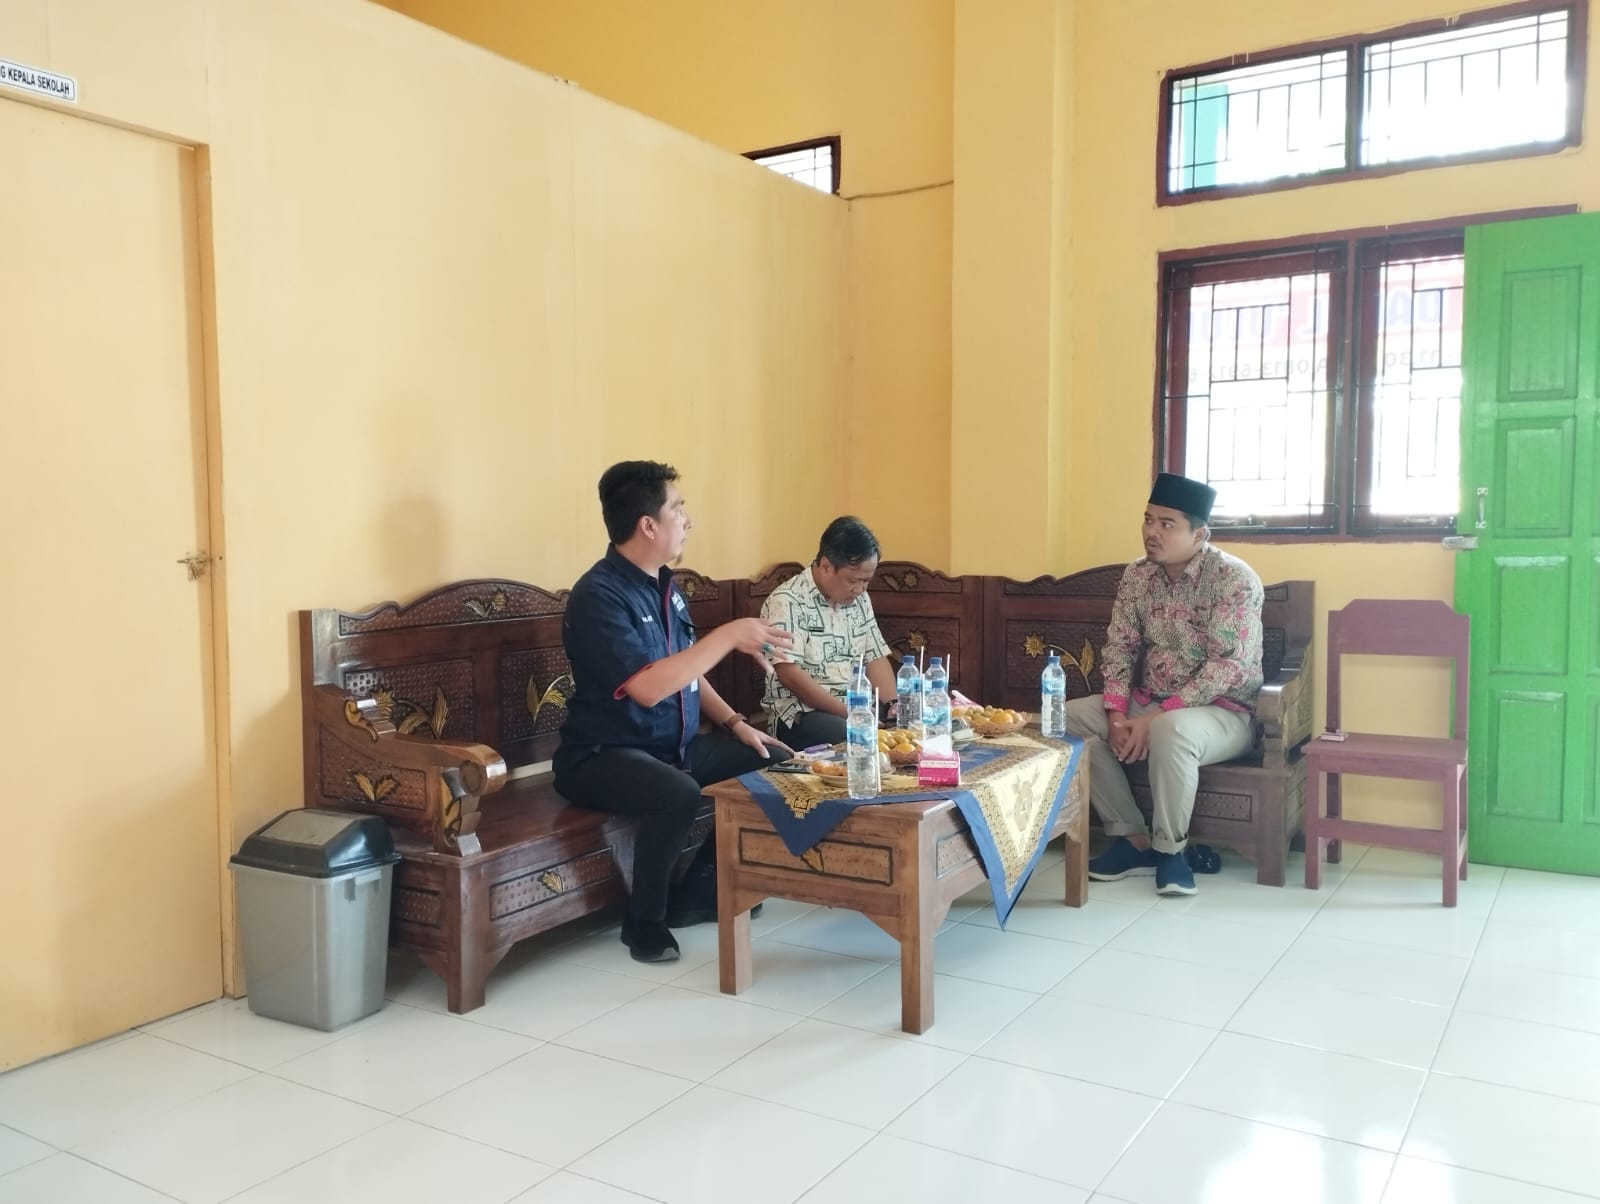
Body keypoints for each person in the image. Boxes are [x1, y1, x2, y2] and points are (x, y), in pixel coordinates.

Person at [554, 461, 794, 963]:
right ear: (648, 525)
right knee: (677, 793)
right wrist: (728, 635)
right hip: (602, 756)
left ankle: (697, 893)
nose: (688, 520)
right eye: (678, 509)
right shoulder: (598, 596)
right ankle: (643, 924)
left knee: (775, 763)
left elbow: (686, 671)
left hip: (671, 747)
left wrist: (735, 723)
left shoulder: (667, 587)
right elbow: (648, 688)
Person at [1064, 473, 1264, 897]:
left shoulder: (1233, 580)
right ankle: (1133, 838)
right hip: (1150, 703)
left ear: (1200, 534)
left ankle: (1171, 851)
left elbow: (1227, 667)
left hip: (1223, 713)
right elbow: (1119, 646)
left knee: (1171, 729)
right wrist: (1117, 715)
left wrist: (1156, 716)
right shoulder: (1138, 576)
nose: (1152, 532)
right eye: (1148, 519)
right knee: (1069, 719)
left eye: (1167, 524)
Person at [760, 516, 899, 748]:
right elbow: (789, 673)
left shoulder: (860, 599)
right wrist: (850, 713)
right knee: (860, 738)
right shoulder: (788, 601)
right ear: (826, 566)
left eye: (866, 581)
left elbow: (875, 656)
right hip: (803, 714)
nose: (860, 589)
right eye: (854, 580)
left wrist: (893, 704)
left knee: (908, 728)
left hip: (858, 707)